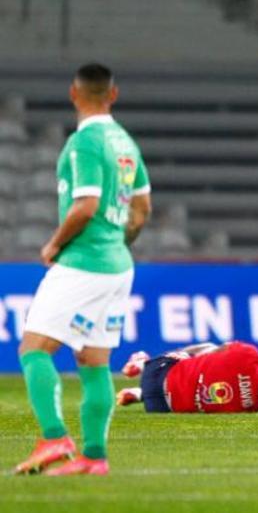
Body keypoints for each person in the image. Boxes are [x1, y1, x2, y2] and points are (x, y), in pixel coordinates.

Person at [14, 63, 151, 476]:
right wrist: (115, 244)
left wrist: (55, 243)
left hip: (83, 263)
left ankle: (54, 437)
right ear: (114, 94)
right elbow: (142, 211)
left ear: (74, 94)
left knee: (34, 350)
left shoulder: (84, 143)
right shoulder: (125, 141)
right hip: (117, 267)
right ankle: (94, 456)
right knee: (93, 361)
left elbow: (86, 204)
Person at [115, 343, 258, 413]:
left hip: (156, 374)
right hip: (158, 407)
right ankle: (138, 394)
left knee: (208, 349)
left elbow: (215, 351)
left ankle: (141, 363)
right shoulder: (253, 406)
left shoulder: (249, 355)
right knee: (193, 393)